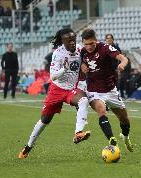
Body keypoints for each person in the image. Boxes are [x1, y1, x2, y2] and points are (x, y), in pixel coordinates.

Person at [18, 28, 90, 159]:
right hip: (56, 90)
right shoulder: (58, 54)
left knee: (83, 100)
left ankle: (78, 133)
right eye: (69, 41)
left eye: (73, 40)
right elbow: (53, 76)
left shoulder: (80, 50)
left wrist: (85, 66)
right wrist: (64, 69)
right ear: (63, 42)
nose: (72, 43)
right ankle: (28, 146)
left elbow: (87, 61)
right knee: (45, 120)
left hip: (71, 89)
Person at [80, 28, 133, 152]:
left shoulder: (105, 48)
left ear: (96, 41)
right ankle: (111, 140)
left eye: (91, 43)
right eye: (86, 44)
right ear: (83, 43)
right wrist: (83, 66)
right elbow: (82, 62)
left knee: (124, 119)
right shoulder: (83, 51)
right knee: (101, 110)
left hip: (110, 90)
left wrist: (122, 65)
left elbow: (124, 59)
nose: (89, 47)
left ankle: (125, 137)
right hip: (93, 90)